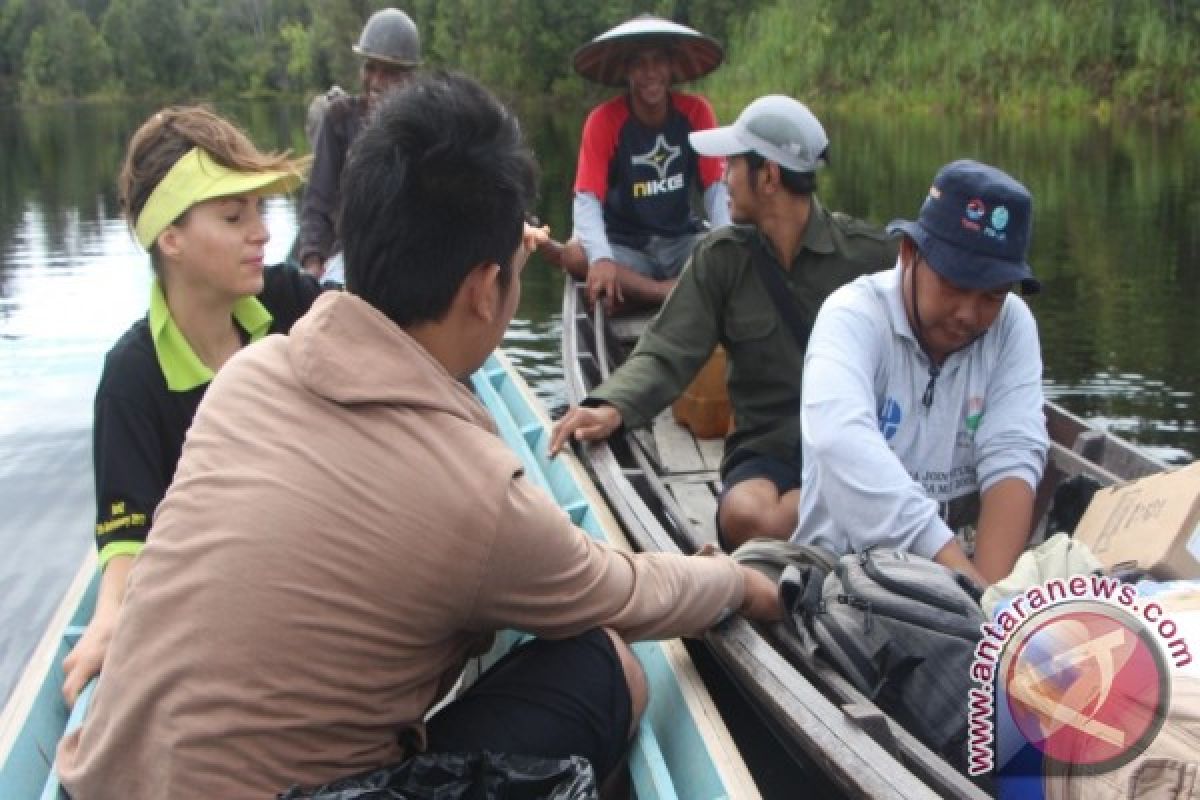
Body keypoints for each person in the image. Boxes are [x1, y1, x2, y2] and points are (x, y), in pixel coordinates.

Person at [56, 73, 781, 799]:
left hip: (101, 780)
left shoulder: (249, 377)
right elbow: (624, 592)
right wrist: (739, 581)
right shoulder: (476, 493)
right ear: (482, 289)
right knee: (605, 666)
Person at [549, 96, 898, 551]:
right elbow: (665, 352)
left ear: (768, 177)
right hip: (768, 448)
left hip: (852, 442)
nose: (722, 178)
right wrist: (611, 405)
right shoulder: (721, 259)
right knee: (744, 517)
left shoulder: (868, 256)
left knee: (826, 502)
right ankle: (831, 521)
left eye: (733, 164)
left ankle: (823, 519)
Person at [59, 106, 321, 708]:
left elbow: (379, 324)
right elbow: (126, 535)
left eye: (259, 210)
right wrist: (110, 616)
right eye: (233, 215)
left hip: (307, 563)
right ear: (170, 239)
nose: (260, 232)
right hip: (221, 606)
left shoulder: (288, 300)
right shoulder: (132, 377)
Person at [791, 159, 1049, 587]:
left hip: (961, 571)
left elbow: (1012, 454)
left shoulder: (1012, 325)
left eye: (991, 295)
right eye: (954, 285)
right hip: (841, 571)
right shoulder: (852, 316)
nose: (968, 313)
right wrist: (964, 584)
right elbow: (842, 441)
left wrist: (990, 605)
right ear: (909, 254)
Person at [539, 15, 731, 311]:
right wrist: (602, 258)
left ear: (670, 66)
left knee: (739, 249)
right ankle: (663, 292)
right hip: (627, 248)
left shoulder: (696, 113)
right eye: (640, 64)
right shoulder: (604, 121)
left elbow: (717, 190)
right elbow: (587, 198)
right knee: (577, 255)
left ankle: (647, 293)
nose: (650, 73)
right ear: (626, 71)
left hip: (682, 242)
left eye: (658, 62)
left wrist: (726, 246)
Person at [297, 7, 421, 284]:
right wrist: (312, 261)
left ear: (411, 78)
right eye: (370, 68)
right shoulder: (339, 119)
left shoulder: (426, 129)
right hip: (350, 257)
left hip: (407, 261)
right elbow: (318, 200)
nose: (376, 81)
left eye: (390, 73)